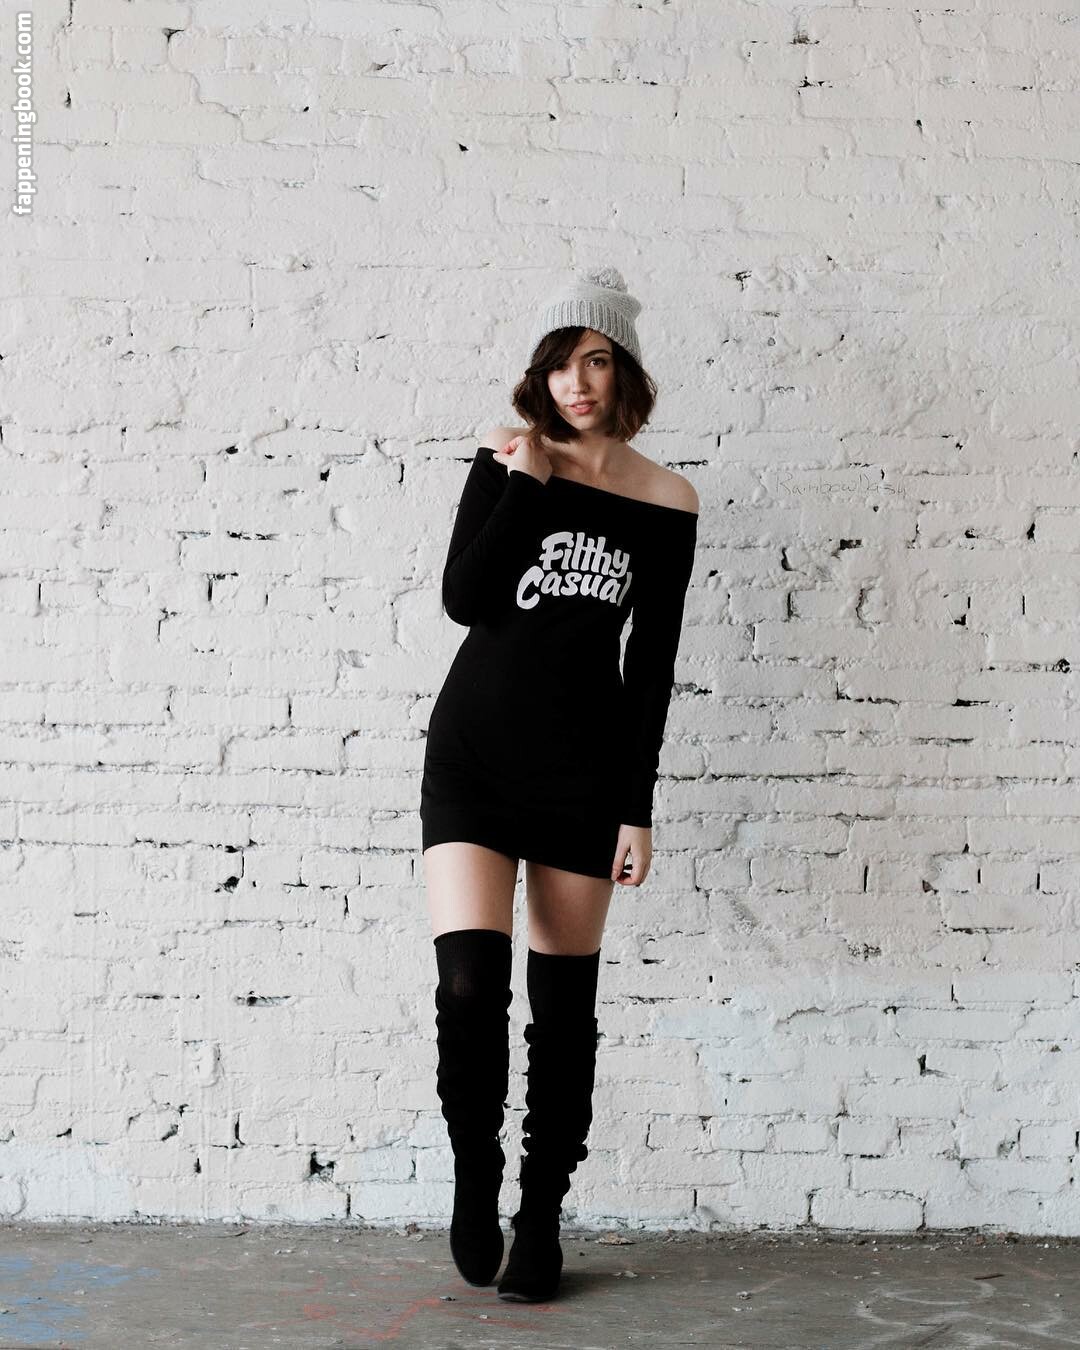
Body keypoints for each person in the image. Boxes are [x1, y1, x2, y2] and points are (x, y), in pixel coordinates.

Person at [420, 265, 700, 1303]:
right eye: (559, 365)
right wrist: (527, 481)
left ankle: (539, 1216)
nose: (576, 383)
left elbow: (652, 665)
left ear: (624, 370)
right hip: (472, 758)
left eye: (595, 360)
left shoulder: (667, 501)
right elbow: (464, 598)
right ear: (538, 377)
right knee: (468, 987)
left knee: (562, 1011)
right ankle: (475, 1173)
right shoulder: (509, 462)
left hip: (583, 774)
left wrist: (637, 807)